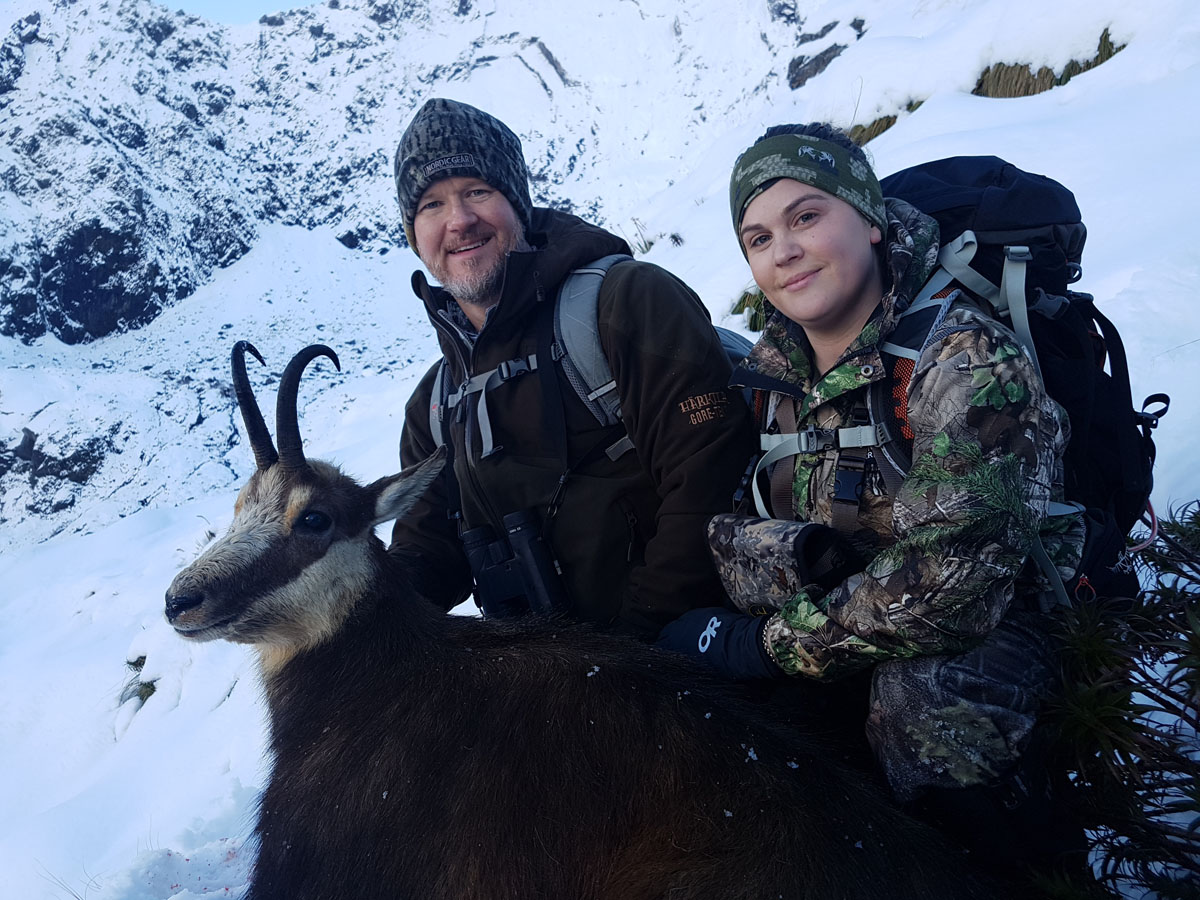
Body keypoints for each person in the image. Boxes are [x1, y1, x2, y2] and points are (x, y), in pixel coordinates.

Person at [657, 124, 1087, 870]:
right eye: (758, 238)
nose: (784, 250)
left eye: (806, 216)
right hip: (852, 625)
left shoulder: (965, 357)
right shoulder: (769, 376)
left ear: (871, 220)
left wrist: (766, 647)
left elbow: (955, 588)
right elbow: (747, 525)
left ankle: (1014, 874)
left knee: (925, 703)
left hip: (995, 632)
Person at [387, 98, 756, 637]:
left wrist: (635, 646)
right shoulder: (435, 405)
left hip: (685, 651)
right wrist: (341, 593)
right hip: (553, 676)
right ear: (414, 234)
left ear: (517, 203)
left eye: (477, 191)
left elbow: (710, 478)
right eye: (431, 205)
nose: (459, 220)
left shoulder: (625, 303)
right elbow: (427, 554)